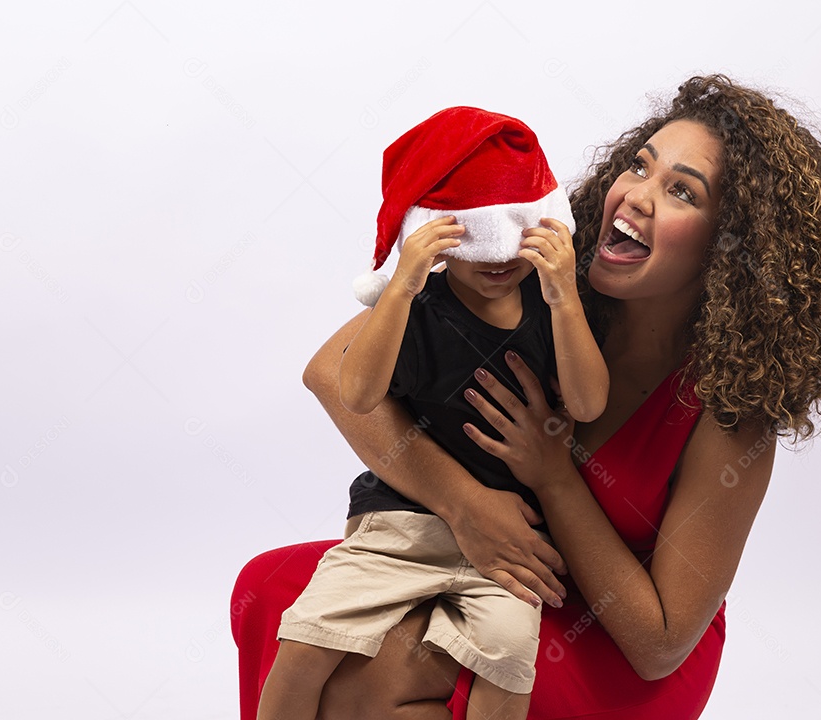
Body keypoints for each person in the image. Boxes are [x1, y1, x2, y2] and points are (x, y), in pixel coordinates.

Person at [233, 74, 821, 720]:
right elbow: (329, 374)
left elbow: (661, 642)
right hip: (490, 570)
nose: (637, 196)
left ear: (732, 249)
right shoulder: (533, 276)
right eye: (639, 166)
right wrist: (465, 504)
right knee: (271, 588)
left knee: (381, 670)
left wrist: (553, 474)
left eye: (681, 191)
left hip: (614, 652)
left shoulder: (730, 411)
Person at [257, 107, 609, 720]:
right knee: (306, 641)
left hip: (508, 545)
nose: (499, 260)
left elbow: (587, 403)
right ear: (436, 236)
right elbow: (357, 392)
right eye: (477, 238)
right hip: (397, 528)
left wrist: (565, 299)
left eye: (514, 234)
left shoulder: (547, 300)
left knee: (507, 657)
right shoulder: (421, 312)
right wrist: (399, 287)